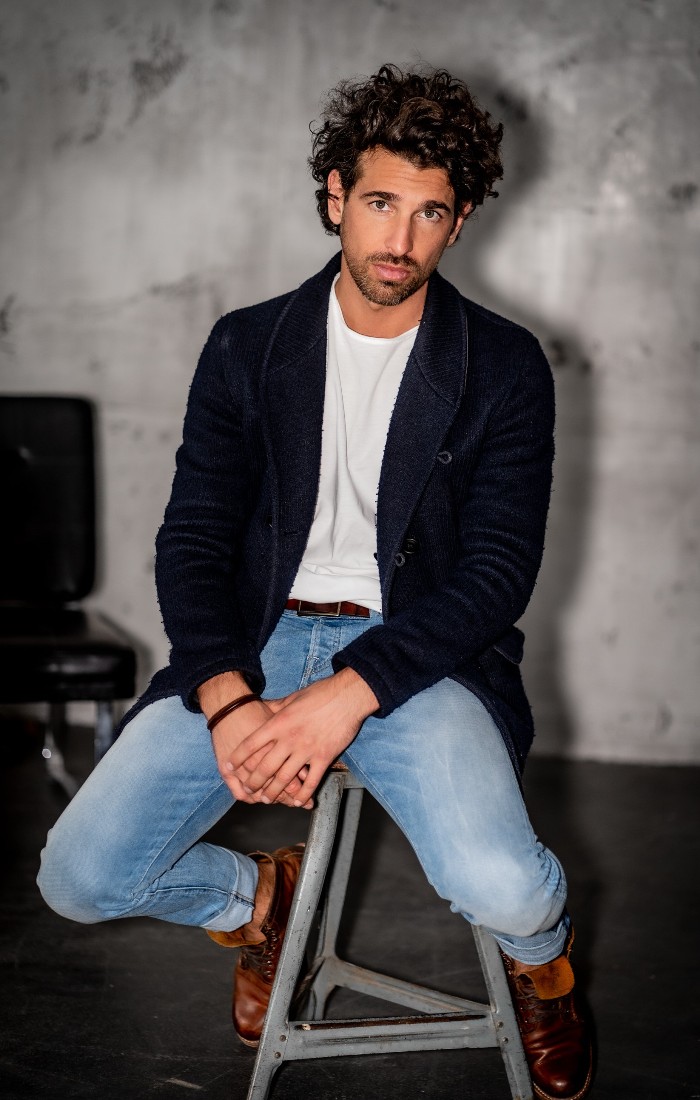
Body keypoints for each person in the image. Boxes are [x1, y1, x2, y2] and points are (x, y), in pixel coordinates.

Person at [38, 64, 594, 1100]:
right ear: (335, 195)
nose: (401, 238)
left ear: (461, 220)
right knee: (79, 875)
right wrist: (225, 694)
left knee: (510, 889)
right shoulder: (249, 346)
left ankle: (546, 968)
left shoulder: (504, 364)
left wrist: (348, 692)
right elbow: (193, 538)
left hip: (420, 654)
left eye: (431, 213)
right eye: (380, 202)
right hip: (256, 639)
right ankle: (258, 899)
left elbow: (496, 573)